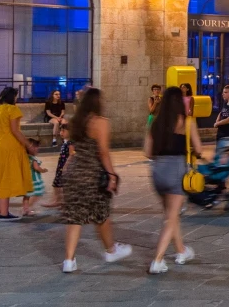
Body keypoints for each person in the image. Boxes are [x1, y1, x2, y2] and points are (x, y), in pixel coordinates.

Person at [57, 89, 132, 272]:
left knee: (75, 217)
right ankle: (111, 250)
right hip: (92, 174)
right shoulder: (101, 123)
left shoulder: (75, 122)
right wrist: (112, 175)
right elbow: (103, 153)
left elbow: (73, 149)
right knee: (101, 214)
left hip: (74, 173)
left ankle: (69, 260)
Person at [144, 87, 204, 273]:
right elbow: (199, 149)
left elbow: (147, 152)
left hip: (157, 171)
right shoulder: (187, 122)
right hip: (176, 169)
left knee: (171, 214)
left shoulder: (154, 123)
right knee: (171, 218)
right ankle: (158, 260)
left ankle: (181, 251)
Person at [0, 86, 36, 220]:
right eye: (16, 96)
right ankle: (4, 213)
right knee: (5, 178)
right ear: (12, 97)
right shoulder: (12, 109)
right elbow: (15, 131)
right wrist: (28, 145)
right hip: (9, 146)